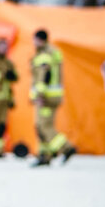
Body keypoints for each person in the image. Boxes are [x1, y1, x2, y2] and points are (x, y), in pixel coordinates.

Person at [30, 29, 76, 166]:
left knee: (44, 126)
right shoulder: (53, 52)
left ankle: (66, 148)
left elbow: (45, 76)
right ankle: (45, 155)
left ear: (40, 40)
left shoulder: (45, 54)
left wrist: (40, 94)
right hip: (51, 96)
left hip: (46, 98)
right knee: (40, 125)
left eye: (34, 40)